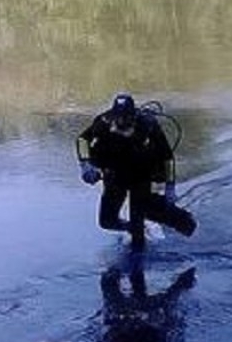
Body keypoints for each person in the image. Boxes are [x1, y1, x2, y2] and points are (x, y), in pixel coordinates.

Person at [77, 93, 192, 250]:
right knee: (107, 221)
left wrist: (170, 187)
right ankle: (135, 227)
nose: (122, 122)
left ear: (133, 116)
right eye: (118, 117)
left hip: (140, 177)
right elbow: (83, 139)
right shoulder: (104, 122)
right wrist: (85, 165)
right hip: (114, 176)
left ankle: (141, 249)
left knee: (138, 232)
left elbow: (167, 157)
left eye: (126, 118)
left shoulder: (148, 124)